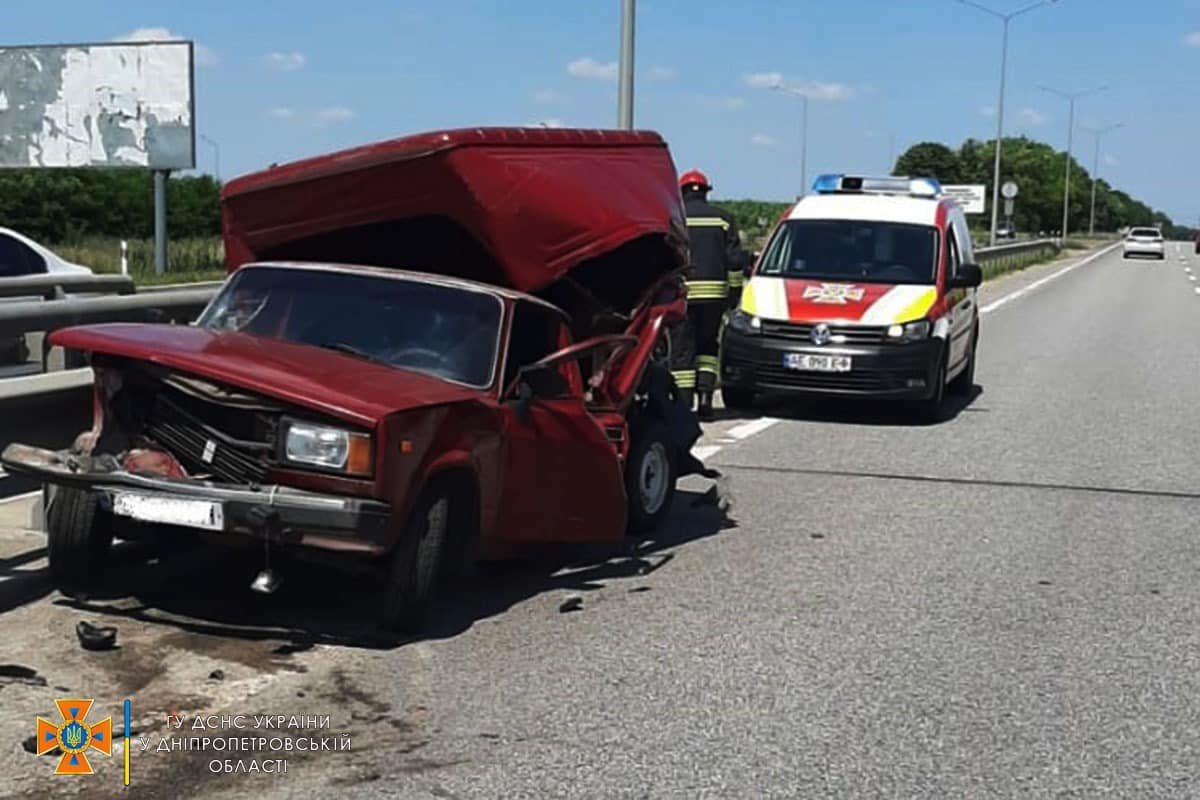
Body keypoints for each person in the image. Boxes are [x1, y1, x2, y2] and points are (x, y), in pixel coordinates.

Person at [670, 169, 752, 419]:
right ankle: (706, 401)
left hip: (682, 295)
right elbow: (735, 262)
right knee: (707, 347)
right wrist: (735, 294)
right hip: (714, 297)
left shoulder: (675, 219)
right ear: (706, 192)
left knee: (682, 350)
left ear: (682, 191)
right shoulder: (723, 220)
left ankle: (682, 408)